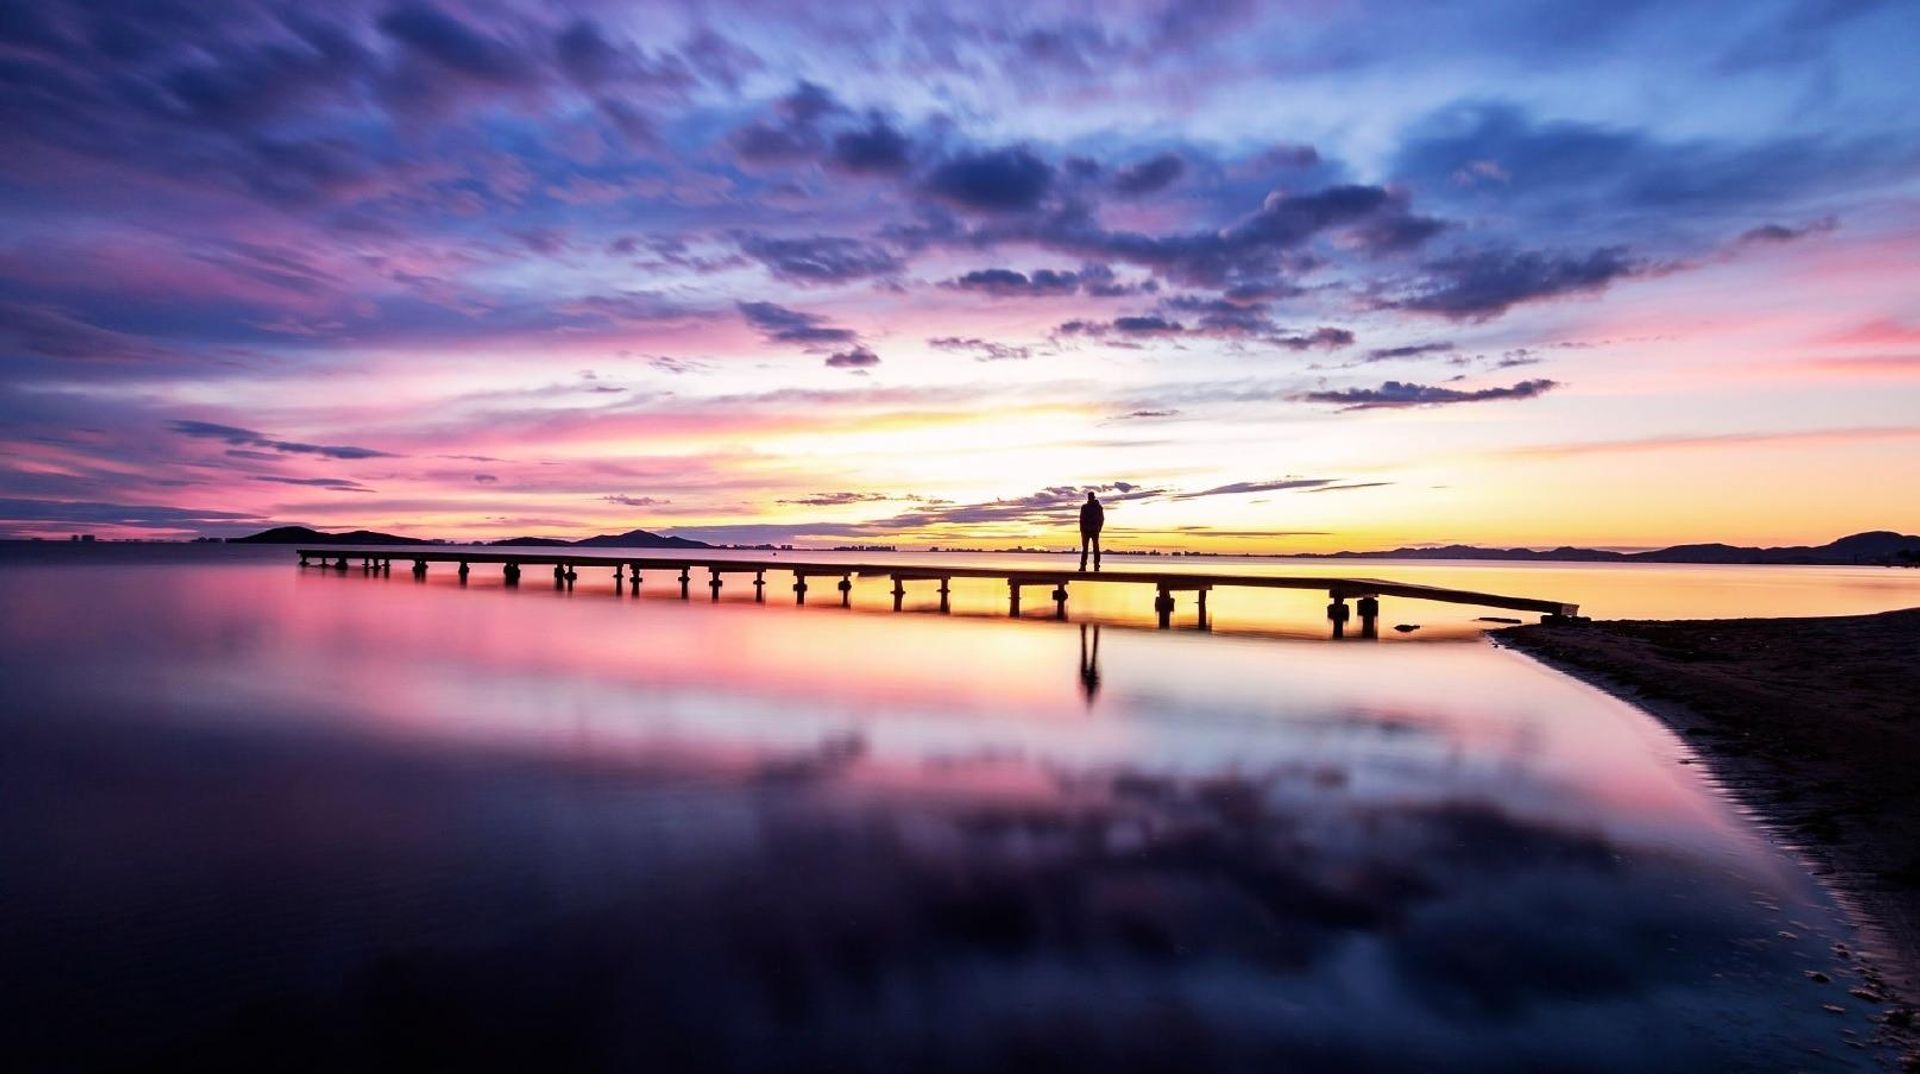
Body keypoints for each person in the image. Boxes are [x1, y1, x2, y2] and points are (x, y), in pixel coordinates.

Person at [1078, 490, 1104, 572]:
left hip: (1093, 530)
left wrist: (1099, 528)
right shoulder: (1084, 507)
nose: (1090, 499)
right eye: (1089, 497)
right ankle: (1083, 566)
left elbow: (1101, 519)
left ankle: (1096, 566)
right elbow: (1081, 519)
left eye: (1091, 497)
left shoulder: (1098, 507)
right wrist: (1082, 529)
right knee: (1086, 549)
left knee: (1095, 548)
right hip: (1086, 530)